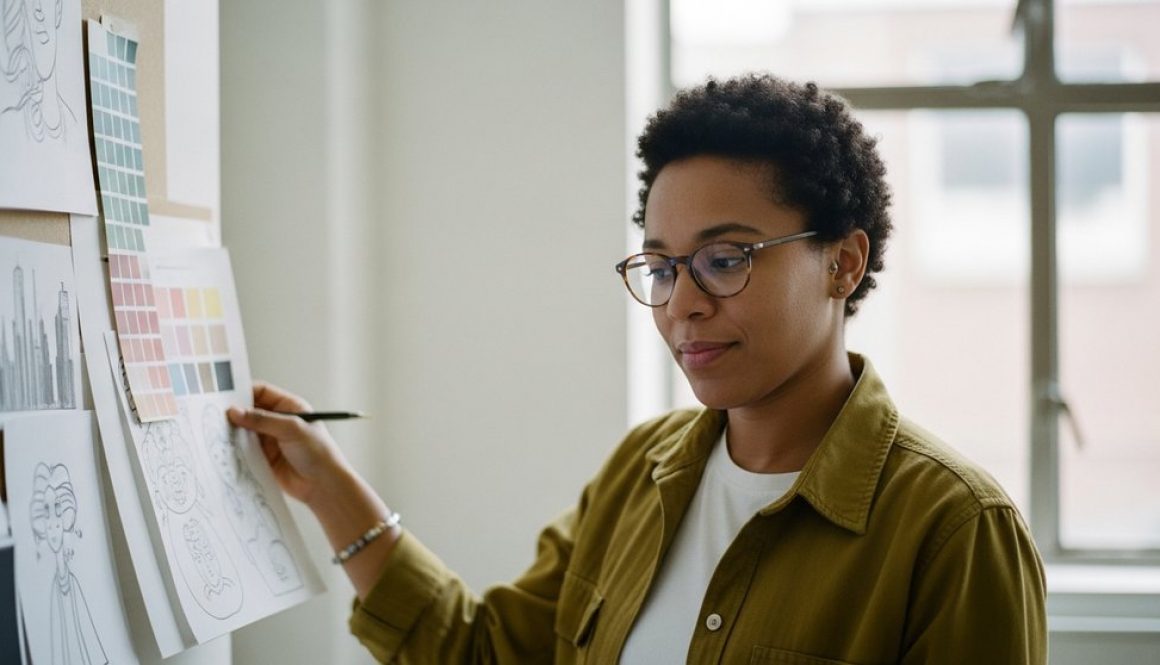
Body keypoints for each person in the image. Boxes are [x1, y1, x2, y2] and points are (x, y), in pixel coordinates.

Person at [228, 74, 1047, 664]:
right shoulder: (641, 472)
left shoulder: (954, 529)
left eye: (725, 259)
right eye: (661, 267)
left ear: (843, 262)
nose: (681, 303)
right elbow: (485, 652)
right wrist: (326, 484)